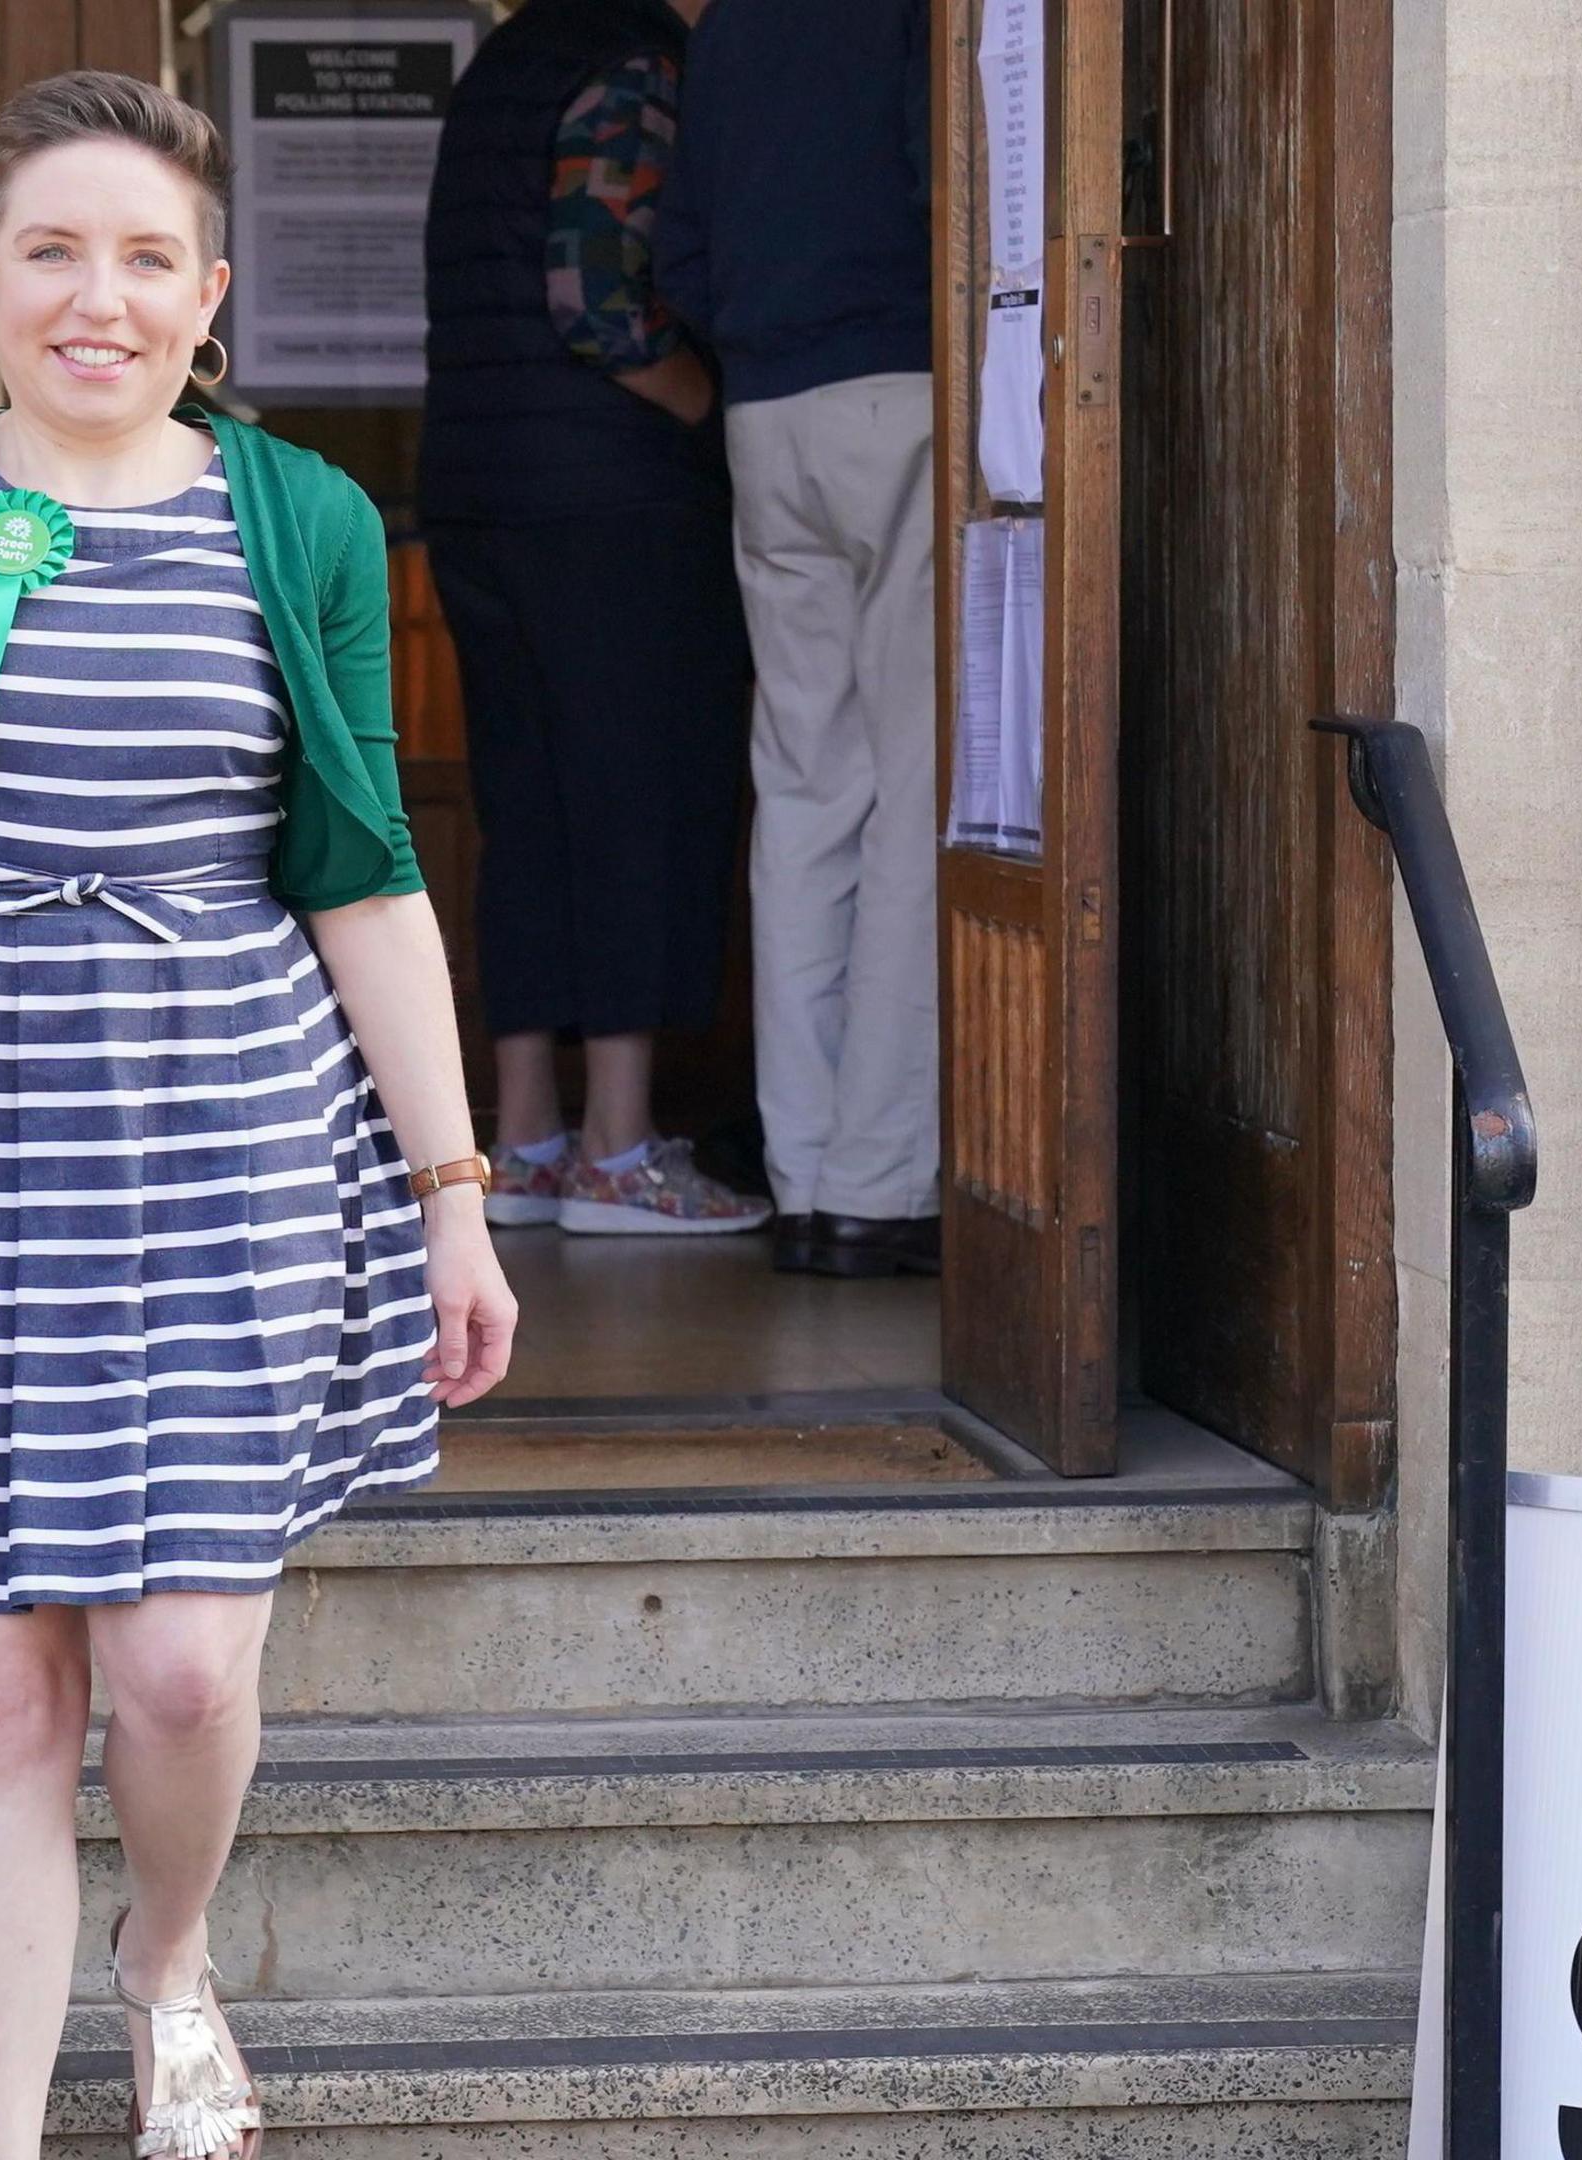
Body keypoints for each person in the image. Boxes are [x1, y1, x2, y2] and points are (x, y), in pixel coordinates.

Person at [0, 72, 516, 2160]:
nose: (100, 297)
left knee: (174, 1671)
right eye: (51, 253)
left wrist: (452, 1194)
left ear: (211, 292)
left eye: (147, 257)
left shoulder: (302, 517)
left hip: (226, 1141)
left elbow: (358, 866)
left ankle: (167, 1958)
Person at [422, 0, 772, 1237]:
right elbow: (602, 304)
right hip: (609, 497)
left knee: (527, 806)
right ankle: (620, 1150)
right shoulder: (635, 61)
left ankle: (522, 1141)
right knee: (634, 798)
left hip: (474, 486)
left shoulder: (506, 59)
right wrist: (716, 417)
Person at [657, 0, 943, 1279]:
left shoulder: (729, 30)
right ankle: (881, 1186)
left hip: (766, 413)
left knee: (807, 786)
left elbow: (680, 258)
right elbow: (959, 190)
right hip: (905, 384)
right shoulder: (911, 15)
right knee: (916, 782)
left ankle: (805, 1168)